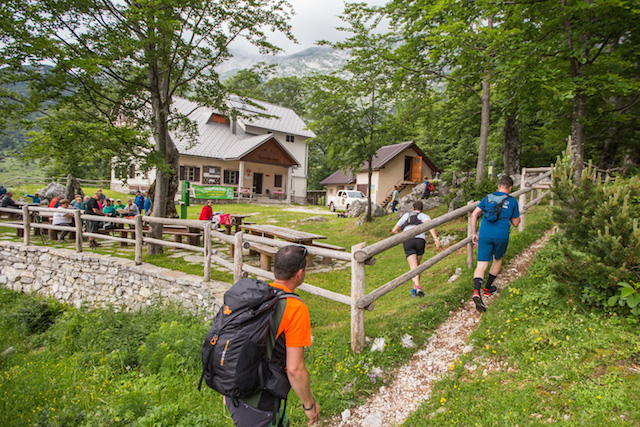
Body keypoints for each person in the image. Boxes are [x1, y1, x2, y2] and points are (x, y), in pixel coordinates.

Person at [225, 245, 320, 427]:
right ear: (300, 273)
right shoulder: (295, 309)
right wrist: (309, 405)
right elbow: (295, 369)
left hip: (235, 390)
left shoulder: (256, 296)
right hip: (260, 401)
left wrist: (228, 385)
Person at [470, 176, 521, 312]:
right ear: (510, 188)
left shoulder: (487, 198)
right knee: (497, 260)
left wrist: (474, 233)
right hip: (501, 235)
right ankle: (487, 288)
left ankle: (476, 291)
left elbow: (474, 214)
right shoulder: (512, 201)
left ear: (498, 186)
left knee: (481, 265)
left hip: (485, 234)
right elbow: (516, 223)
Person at [392, 200, 441, 298]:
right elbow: (430, 226)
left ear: (413, 208)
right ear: (421, 209)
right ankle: (414, 289)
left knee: (413, 266)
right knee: (417, 266)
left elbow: (394, 230)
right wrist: (435, 238)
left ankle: (418, 287)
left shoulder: (406, 215)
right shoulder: (425, 216)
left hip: (408, 240)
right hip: (420, 241)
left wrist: (403, 237)